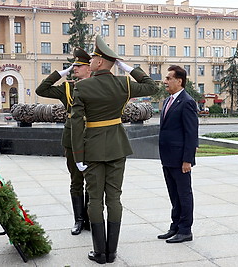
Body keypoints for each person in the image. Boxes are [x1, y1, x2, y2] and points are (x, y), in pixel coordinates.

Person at [71, 35, 158, 264]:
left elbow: (77, 124)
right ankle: (112, 253)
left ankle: (100, 253)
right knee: (114, 199)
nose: (90, 62)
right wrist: (128, 68)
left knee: (95, 201)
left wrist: (78, 155)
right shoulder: (124, 84)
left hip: (93, 149)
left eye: (93, 58)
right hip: (118, 146)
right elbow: (152, 86)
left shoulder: (82, 87)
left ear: (100, 62)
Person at [35, 47, 92, 235]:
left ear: (89, 68)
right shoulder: (67, 87)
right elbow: (41, 89)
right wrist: (60, 73)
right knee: (76, 180)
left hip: (93, 137)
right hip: (71, 138)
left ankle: (90, 219)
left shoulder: (97, 85)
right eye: (73, 66)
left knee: (92, 181)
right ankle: (79, 219)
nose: (74, 68)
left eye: (79, 66)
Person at [158, 65, 198, 244]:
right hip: (167, 158)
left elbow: (191, 134)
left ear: (179, 81)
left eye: (168, 78)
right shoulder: (168, 101)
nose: (165, 81)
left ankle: (185, 230)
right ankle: (175, 226)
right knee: (173, 194)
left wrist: (187, 160)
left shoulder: (187, 101)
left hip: (180, 159)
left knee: (184, 194)